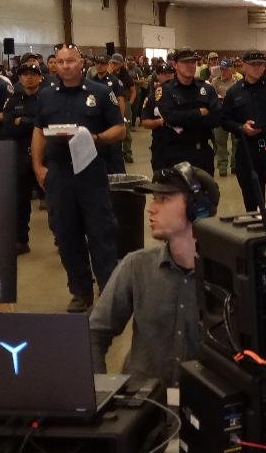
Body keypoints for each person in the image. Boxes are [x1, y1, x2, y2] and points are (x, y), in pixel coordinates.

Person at [90, 163, 219, 387]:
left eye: (163, 199)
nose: (151, 209)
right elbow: (92, 334)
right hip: (146, 407)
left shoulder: (227, 276)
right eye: (154, 198)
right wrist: (100, 394)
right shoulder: (136, 266)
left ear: (198, 208)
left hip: (205, 406)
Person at [31, 43, 126, 313]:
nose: (65, 66)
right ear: (54, 65)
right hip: (60, 174)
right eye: (60, 62)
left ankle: (109, 291)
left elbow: (119, 129)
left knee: (101, 233)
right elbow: (38, 131)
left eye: (71, 61)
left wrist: (95, 138)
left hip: (91, 172)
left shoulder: (100, 93)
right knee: (66, 234)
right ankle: (81, 291)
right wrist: (38, 166)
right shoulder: (46, 96)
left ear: (81, 63)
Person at [221, 50, 266, 211]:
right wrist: (241, 128)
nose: (257, 68)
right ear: (243, 66)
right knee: (252, 201)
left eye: (260, 64)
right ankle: (258, 234)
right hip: (248, 152)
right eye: (252, 65)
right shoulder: (234, 92)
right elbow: (224, 120)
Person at [151, 49, 221, 175]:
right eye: (185, 62)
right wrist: (199, 113)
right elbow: (170, 118)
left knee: (205, 193)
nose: (190, 65)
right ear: (175, 65)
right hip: (174, 154)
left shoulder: (207, 89)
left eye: (193, 62)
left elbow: (216, 118)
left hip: (201, 153)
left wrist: (183, 117)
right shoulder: (165, 90)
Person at [3, 60, 44, 255]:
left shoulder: (47, 98)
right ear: (19, 78)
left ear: (39, 77)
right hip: (20, 155)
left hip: (44, 154)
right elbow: (8, 127)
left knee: (55, 199)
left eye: (33, 74)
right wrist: (33, 123)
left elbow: (47, 126)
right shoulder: (13, 100)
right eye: (25, 74)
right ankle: (21, 239)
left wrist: (24, 121)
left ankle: (63, 239)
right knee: (21, 200)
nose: (29, 77)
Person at [140, 62, 177, 172]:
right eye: (163, 73)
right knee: (160, 179)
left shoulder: (182, 93)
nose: (167, 76)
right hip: (161, 144)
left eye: (170, 73)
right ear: (158, 75)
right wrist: (161, 122)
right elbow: (145, 122)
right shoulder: (153, 97)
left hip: (181, 144)